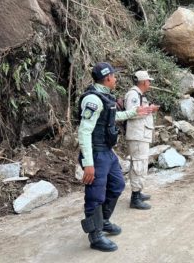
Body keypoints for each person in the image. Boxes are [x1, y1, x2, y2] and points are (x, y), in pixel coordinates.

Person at [78, 62, 151, 252]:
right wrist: (88, 163)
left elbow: (113, 117)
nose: (116, 79)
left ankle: (104, 221)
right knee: (95, 194)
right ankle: (95, 236)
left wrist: (134, 112)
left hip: (107, 153)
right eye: (114, 76)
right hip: (96, 153)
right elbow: (84, 131)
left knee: (117, 185)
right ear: (108, 77)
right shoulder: (92, 100)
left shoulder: (105, 98)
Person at [125, 70, 160, 210]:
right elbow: (131, 113)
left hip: (141, 135)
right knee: (138, 165)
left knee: (141, 164)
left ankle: (138, 193)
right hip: (137, 136)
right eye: (149, 81)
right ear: (144, 82)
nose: (150, 83)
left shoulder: (139, 95)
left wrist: (149, 109)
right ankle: (135, 197)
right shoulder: (133, 94)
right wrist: (148, 109)